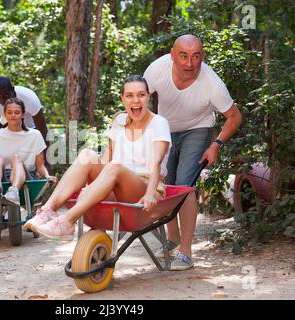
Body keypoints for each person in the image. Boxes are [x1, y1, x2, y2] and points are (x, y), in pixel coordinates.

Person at [24, 75, 198, 270]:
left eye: (141, 95)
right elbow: (108, 158)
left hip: (145, 185)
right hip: (115, 181)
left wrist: (150, 193)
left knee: (114, 167)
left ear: (148, 96)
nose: (136, 100)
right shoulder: (120, 121)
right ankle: (47, 211)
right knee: (87, 155)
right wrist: (93, 188)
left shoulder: (159, 123)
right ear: (122, 98)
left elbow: (157, 161)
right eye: (130, 95)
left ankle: (67, 221)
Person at [143, 34, 242, 257]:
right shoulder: (156, 70)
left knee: (184, 186)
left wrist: (216, 144)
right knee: (165, 183)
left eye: (196, 56)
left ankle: (185, 252)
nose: (189, 63)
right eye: (184, 56)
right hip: (165, 128)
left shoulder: (212, 83)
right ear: (172, 56)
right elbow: (138, 100)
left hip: (197, 129)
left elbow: (234, 117)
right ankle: (172, 240)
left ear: (202, 57)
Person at [0, 97, 56, 206]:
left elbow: (40, 165)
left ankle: (14, 191)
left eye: (17, 112)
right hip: (2, 177)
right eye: (9, 112)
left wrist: (47, 176)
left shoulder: (34, 135)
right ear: (5, 114)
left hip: (27, 177)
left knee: (16, 158)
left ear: (23, 114)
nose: (13, 115)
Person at [0, 76, 48, 161]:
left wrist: (46, 164)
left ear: (12, 90)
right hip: (5, 125)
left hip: (30, 127)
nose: (3, 100)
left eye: (6, 95)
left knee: (29, 159)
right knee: (2, 159)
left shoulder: (29, 98)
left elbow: (43, 131)